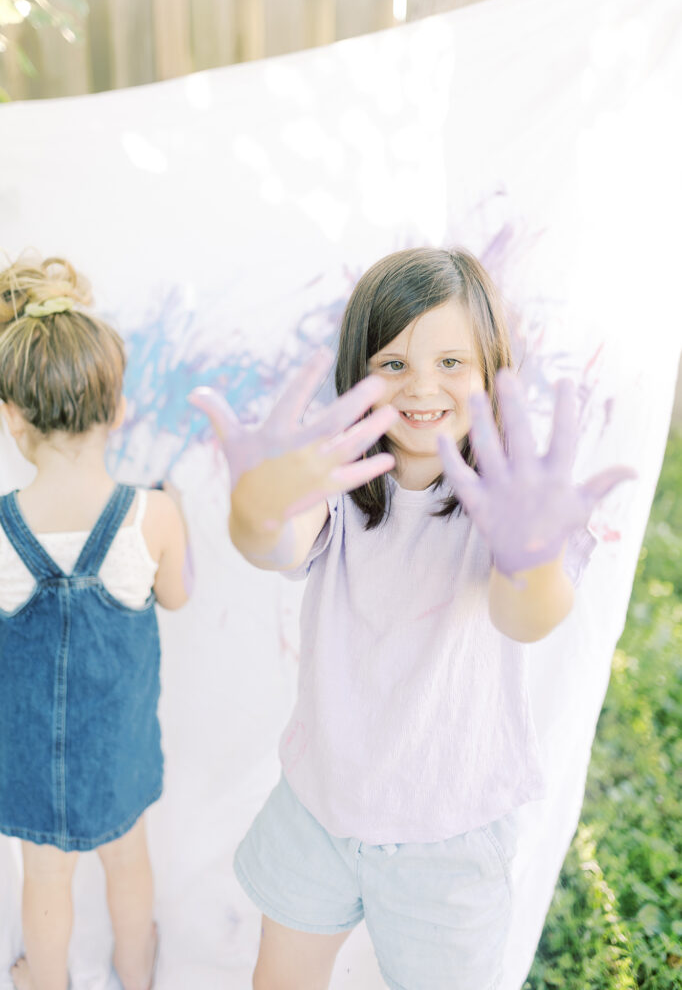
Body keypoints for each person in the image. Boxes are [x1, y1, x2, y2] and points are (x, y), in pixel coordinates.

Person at [190, 247, 633, 990]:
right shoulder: (336, 482)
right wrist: (257, 506)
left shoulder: (516, 504)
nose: (422, 386)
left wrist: (530, 556)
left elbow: (526, 616)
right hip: (318, 808)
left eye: (452, 362)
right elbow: (273, 542)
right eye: (392, 363)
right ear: (355, 374)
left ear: (494, 371)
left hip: (449, 836)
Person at [0, 254, 190, 990]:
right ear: (117, 409)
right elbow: (174, 598)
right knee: (128, 861)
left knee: (42, 883)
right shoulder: (154, 514)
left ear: (12, 417)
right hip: (119, 748)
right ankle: (135, 970)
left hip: (26, 753)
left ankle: (43, 982)